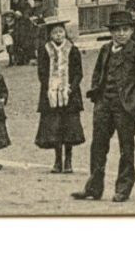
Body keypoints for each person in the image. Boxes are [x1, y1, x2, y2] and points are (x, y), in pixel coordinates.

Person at [72, 10, 135, 203]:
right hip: (104, 105)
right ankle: (93, 188)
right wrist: (98, 96)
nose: (121, 34)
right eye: (117, 30)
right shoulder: (105, 49)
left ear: (131, 31)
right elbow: (98, 73)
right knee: (98, 146)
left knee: (126, 148)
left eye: (125, 29)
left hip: (125, 108)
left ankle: (123, 188)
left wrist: (134, 102)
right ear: (111, 32)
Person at [36, 16, 86, 174]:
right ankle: (57, 160)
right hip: (51, 94)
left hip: (69, 94)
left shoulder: (72, 49)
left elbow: (79, 72)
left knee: (69, 128)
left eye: (60, 32)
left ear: (65, 33)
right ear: (50, 35)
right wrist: (49, 86)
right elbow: (42, 71)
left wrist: (71, 87)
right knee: (55, 127)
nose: (58, 35)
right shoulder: (45, 50)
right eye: (55, 32)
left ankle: (68, 160)